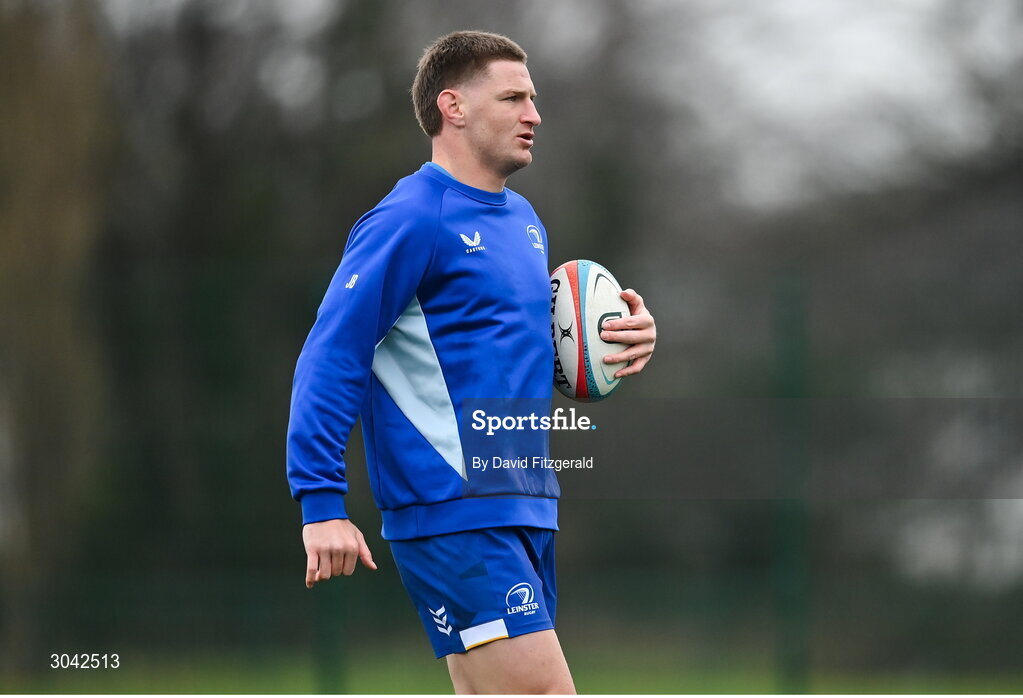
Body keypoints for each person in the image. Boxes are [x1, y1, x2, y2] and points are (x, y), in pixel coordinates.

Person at [286, 30, 656, 694]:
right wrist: (321, 503)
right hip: (451, 508)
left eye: (533, 98)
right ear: (452, 107)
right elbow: (332, 353)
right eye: (513, 97)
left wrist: (616, 342)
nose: (533, 114)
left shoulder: (524, 222)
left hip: (525, 504)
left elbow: (500, 355)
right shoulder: (410, 218)